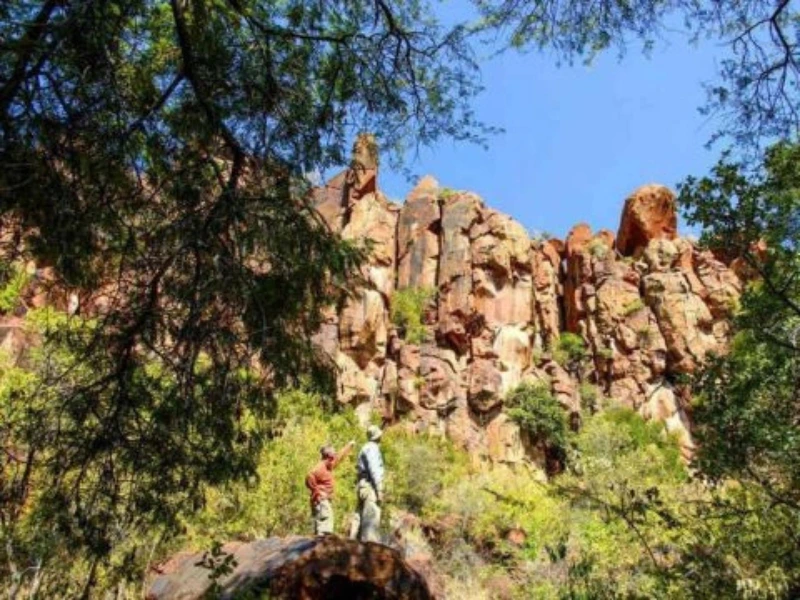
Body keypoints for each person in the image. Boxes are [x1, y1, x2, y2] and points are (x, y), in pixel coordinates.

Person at [305, 440, 354, 536]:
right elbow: (309, 477)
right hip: (321, 502)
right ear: (328, 456)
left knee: (324, 530)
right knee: (324, 531)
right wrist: (317, 492)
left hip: (323, 501)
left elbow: (340, 456)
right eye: (333, 454)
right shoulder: (320, 468)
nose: (335, 456)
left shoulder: (328, 465)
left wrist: (349, 446)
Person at [350, 425, 384, 542]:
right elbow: (374, 469)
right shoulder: (373, 448)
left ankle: (352, 543)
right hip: (370, 486)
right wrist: (379, 489)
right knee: (371, 516)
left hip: (362, 485)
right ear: (378, 436)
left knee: (359, 515)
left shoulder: (364, 447)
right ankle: (370, 548)